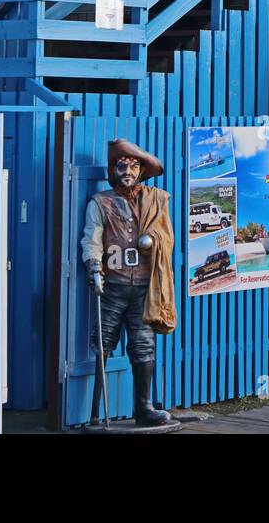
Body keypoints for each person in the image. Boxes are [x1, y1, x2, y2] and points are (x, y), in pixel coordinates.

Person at [82, 138, 177, 427]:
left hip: (145, 288)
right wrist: (94, 268)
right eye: (122, 165)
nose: (127, 170)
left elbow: (165, 234)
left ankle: (144, 408)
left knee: (144, 346)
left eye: (133, 165)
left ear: (141, 171)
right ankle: (95, 413)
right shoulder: (102, 202)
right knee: (104, 344)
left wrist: (153, 241)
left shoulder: (155, 199)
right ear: (114, 169)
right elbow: (92, 236)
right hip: (113, 285)